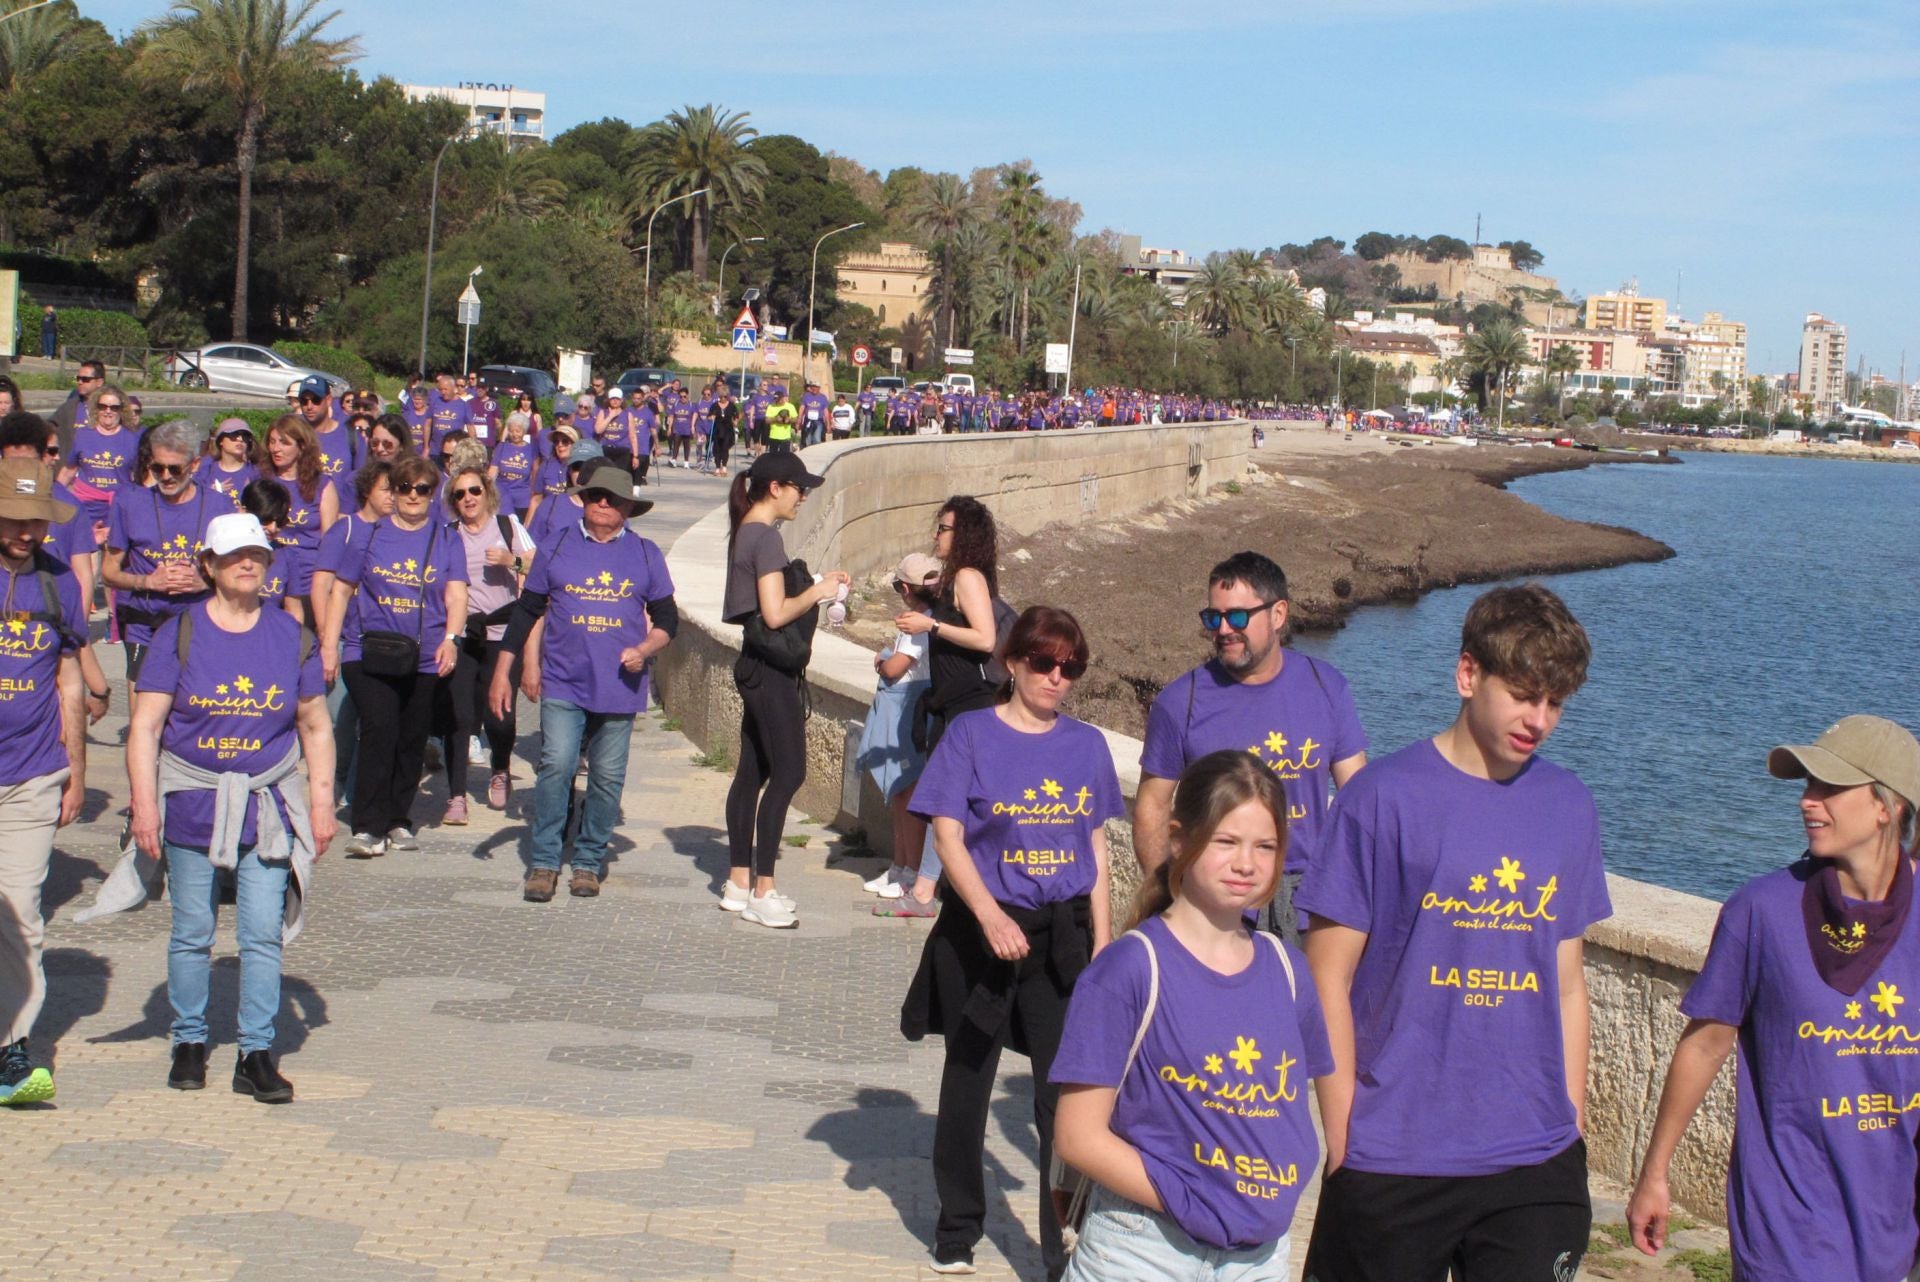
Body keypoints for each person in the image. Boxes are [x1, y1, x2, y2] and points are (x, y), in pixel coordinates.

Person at [1295, 583, 1610, 1282]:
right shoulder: (1379, 799)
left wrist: (1572, 1122)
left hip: (1534, 1159)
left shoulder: (1569, 806)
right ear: (1469, 674)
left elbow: (1565, 984)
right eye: (1525, 693)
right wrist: (1344, 1129)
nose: (1540, 719)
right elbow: (1326, 976)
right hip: (1395, 1152)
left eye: (1556, 702)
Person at [1626, 716, 1920, 1282]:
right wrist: (1654, 1172)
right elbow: (1706, 1044)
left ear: (1889, 806)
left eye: (1830, 788)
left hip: (1891, 1223)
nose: (1809, 803)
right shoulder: (1761, 911)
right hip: (1786, 1228)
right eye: (1808, 786)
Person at [900, 605, 1124, 1279]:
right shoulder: (970, 734)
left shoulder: (1086, 746)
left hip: (1062, 939)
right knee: (969, 1081)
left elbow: (1097, 851)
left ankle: (1063, 1245)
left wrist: (1105, 947)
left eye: (1072, 667)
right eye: (1045, 663)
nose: (1058, 677)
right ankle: (958, 1227)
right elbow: (947, 837)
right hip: (981, 933)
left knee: (1064, 1098)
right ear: (1011, 663)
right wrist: (990, 915)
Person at [1052, 749, 1333, 1281]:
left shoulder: (1289, 971)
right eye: (1225, 841)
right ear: (1179, 839)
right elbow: (1077, 1136)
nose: (1246, 863)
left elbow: (1294, 1108)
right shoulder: (1130, 968)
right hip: (1144, 1249)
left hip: (1257, 1259)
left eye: (1265, 846)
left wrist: (1291, 1177)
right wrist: (1191, 1196)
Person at [126, 512, 334, 1103]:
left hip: (266, 803)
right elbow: (145, 726)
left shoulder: (291, 636)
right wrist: (144, 805)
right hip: (191, 799)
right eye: (236, 554)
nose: (249, 563)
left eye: (259, 555)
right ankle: (189, 1041)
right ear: (210, 566)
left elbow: (315, 726)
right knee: (192, 932)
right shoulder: (179, 632)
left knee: (261, 935)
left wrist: (321, 807)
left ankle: (255, 1052)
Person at [1136, 551, 1367, 942]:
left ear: (1278, 615)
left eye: (1238, 616)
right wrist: (1170, 895)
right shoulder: (1181, 702)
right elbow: (1152, 805)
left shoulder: (1326, 685)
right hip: (1219, 899)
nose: (1224, 629)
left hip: (1310, 900)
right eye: (1214, 617)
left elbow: (1359, 797)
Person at [491, 461, 675, 901]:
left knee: (608, 777)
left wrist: (644, 649)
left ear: (629, 507)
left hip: (619, 687)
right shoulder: (555, 547)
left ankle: (589, 860)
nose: (603, 504)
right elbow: (527, 611)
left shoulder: (646, 554)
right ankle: (545, 860)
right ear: (584, 500)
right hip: (564, 680)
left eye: (612, 498)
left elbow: (668, 620)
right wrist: (505, 670)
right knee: (556, 764)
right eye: (595, 496)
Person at [720, 452, 846, 927]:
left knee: (752, 771)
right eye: (799, 487)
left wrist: (814, 584)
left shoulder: (746, 531)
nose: (804, 495)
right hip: (771, 672)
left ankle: (737, 882)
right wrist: (819, 591)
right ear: (775, 487)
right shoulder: (766, 537)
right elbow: (774, 614)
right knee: (789, 772)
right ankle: (763, 890)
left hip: (753, 666)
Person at [321, 454, 467, 858]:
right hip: (367, 650)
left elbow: (456, 593)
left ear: (433, 493)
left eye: (423, 489)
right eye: (405, 488)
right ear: (393, 492)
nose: (413, 496)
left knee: (411, 737)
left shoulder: (446, 538)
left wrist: (452, 638)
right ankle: (368, 827)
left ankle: (399, 819)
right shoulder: (368, 535)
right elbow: (341, 590)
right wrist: (329, 647)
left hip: (423, 653)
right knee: (379, 729)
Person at [0, 459, 89, 1104]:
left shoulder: (59, 585)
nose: (28, 531)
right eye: (16, 518)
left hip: (31, 775)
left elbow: (69, 680)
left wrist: (76, 772)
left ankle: (12, 1050)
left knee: (22, 917)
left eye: (38, 520)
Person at [439, 466, 533, 821]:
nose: (468, 499)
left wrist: (511, 560)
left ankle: (500, 768)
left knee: (501, 716)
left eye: (474, 491)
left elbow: (537, 570)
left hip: (502, 633)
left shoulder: (508, 526)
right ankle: (456, 795)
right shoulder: (448, 534)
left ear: (486, 493)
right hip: (462, 635)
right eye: (460, 494)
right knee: (460, 716)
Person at [309, 460, 395, 813]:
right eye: (386, 489)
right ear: (366, 491)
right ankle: (335, 780)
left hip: (383, 642)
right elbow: (321, 585)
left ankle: (357, 789)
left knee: (373, 722)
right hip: (345, 640)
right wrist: (327, 641)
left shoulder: (396, 532)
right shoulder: (345, 530)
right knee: (339, 722)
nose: (393, 497)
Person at [858, 553, 941, 917]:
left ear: (906, 590)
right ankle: (898, 866)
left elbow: (894, 668)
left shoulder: (916, 626)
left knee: (907, 791)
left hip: (908, 710)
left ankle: (908, 872)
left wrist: (880, 658)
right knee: (900, 792)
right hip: (912, 708)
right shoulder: (933, 620)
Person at [102, 420, 217, 683]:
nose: (165, 476)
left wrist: (204, 580)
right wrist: (147, 581)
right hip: (144, 623)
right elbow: (108, 572)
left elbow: (235, 571)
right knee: (143, 712)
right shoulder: (130, 503)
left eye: (174, 469)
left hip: (197, 624)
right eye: (157, 468)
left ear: (195, 465)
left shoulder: (219, 507)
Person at [263, 415, 340, 627]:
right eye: (272, 441)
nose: (276, 449)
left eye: (284, 442)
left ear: (302, 446)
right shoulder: (261, 481)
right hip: (269, 577)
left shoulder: (322, 485)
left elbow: (329, 542)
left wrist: (324, 586)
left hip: (308, 581)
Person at [237, 479, 303, 620]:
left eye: (279, 522)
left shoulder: (286, 555)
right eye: (265, 520)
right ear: (243, 511)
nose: (273, 528)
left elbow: (294, 610)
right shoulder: (223, 551)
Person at [197, 418, 262, 509]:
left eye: (245, 436)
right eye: (234, 435)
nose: (240, 439)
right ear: (221, 441)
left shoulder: (255, 472)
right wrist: (210, 492)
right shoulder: (206, 468)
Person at [49, 360, 104, 460]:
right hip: (71, 467)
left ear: (99, 382)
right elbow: (49, 429)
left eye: (85, 379)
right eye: (78, 378)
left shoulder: (110, 408)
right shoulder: (69, 407)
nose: (80, 382)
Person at [526, 425, 580, 527]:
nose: (560, 445)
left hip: (570, 522)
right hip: (545, 520)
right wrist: (527, 526)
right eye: (556, 442)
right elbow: (536, 499)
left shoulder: (579, 468)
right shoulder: (546, 466)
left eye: (565, 441)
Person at [490, 411, 536, 521]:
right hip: (502, 496)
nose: (514, 434)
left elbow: (534, 473)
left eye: (517, 431)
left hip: (522, 499)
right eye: (511, 431)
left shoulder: (531, 449)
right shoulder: (501, 447)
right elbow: (493, 470)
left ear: (524, 431)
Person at [709, 389, 739, 477]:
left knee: (725, 447)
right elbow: (709, 416)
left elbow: (736, 416)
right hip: (718, 429)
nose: (723, 398)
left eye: (725, 397)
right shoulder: (715, 405)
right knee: (717, 449)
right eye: (721, 397)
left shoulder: (731, 406)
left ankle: (724, 467)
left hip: (728, 429)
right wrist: (712, 417)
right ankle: (717, 468)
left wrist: (735, 421)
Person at [764, 388, 798, 454]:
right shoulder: (771, 406)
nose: (776, 401)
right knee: (773, 456)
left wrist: (789, 420)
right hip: (774, 436)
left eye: (778, 400)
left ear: (783, 398)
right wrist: (775, 419)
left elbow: (796, 419)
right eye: (775, 400)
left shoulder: (790, 406)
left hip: (785, 437)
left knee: (784, 456)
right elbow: (767, 420)